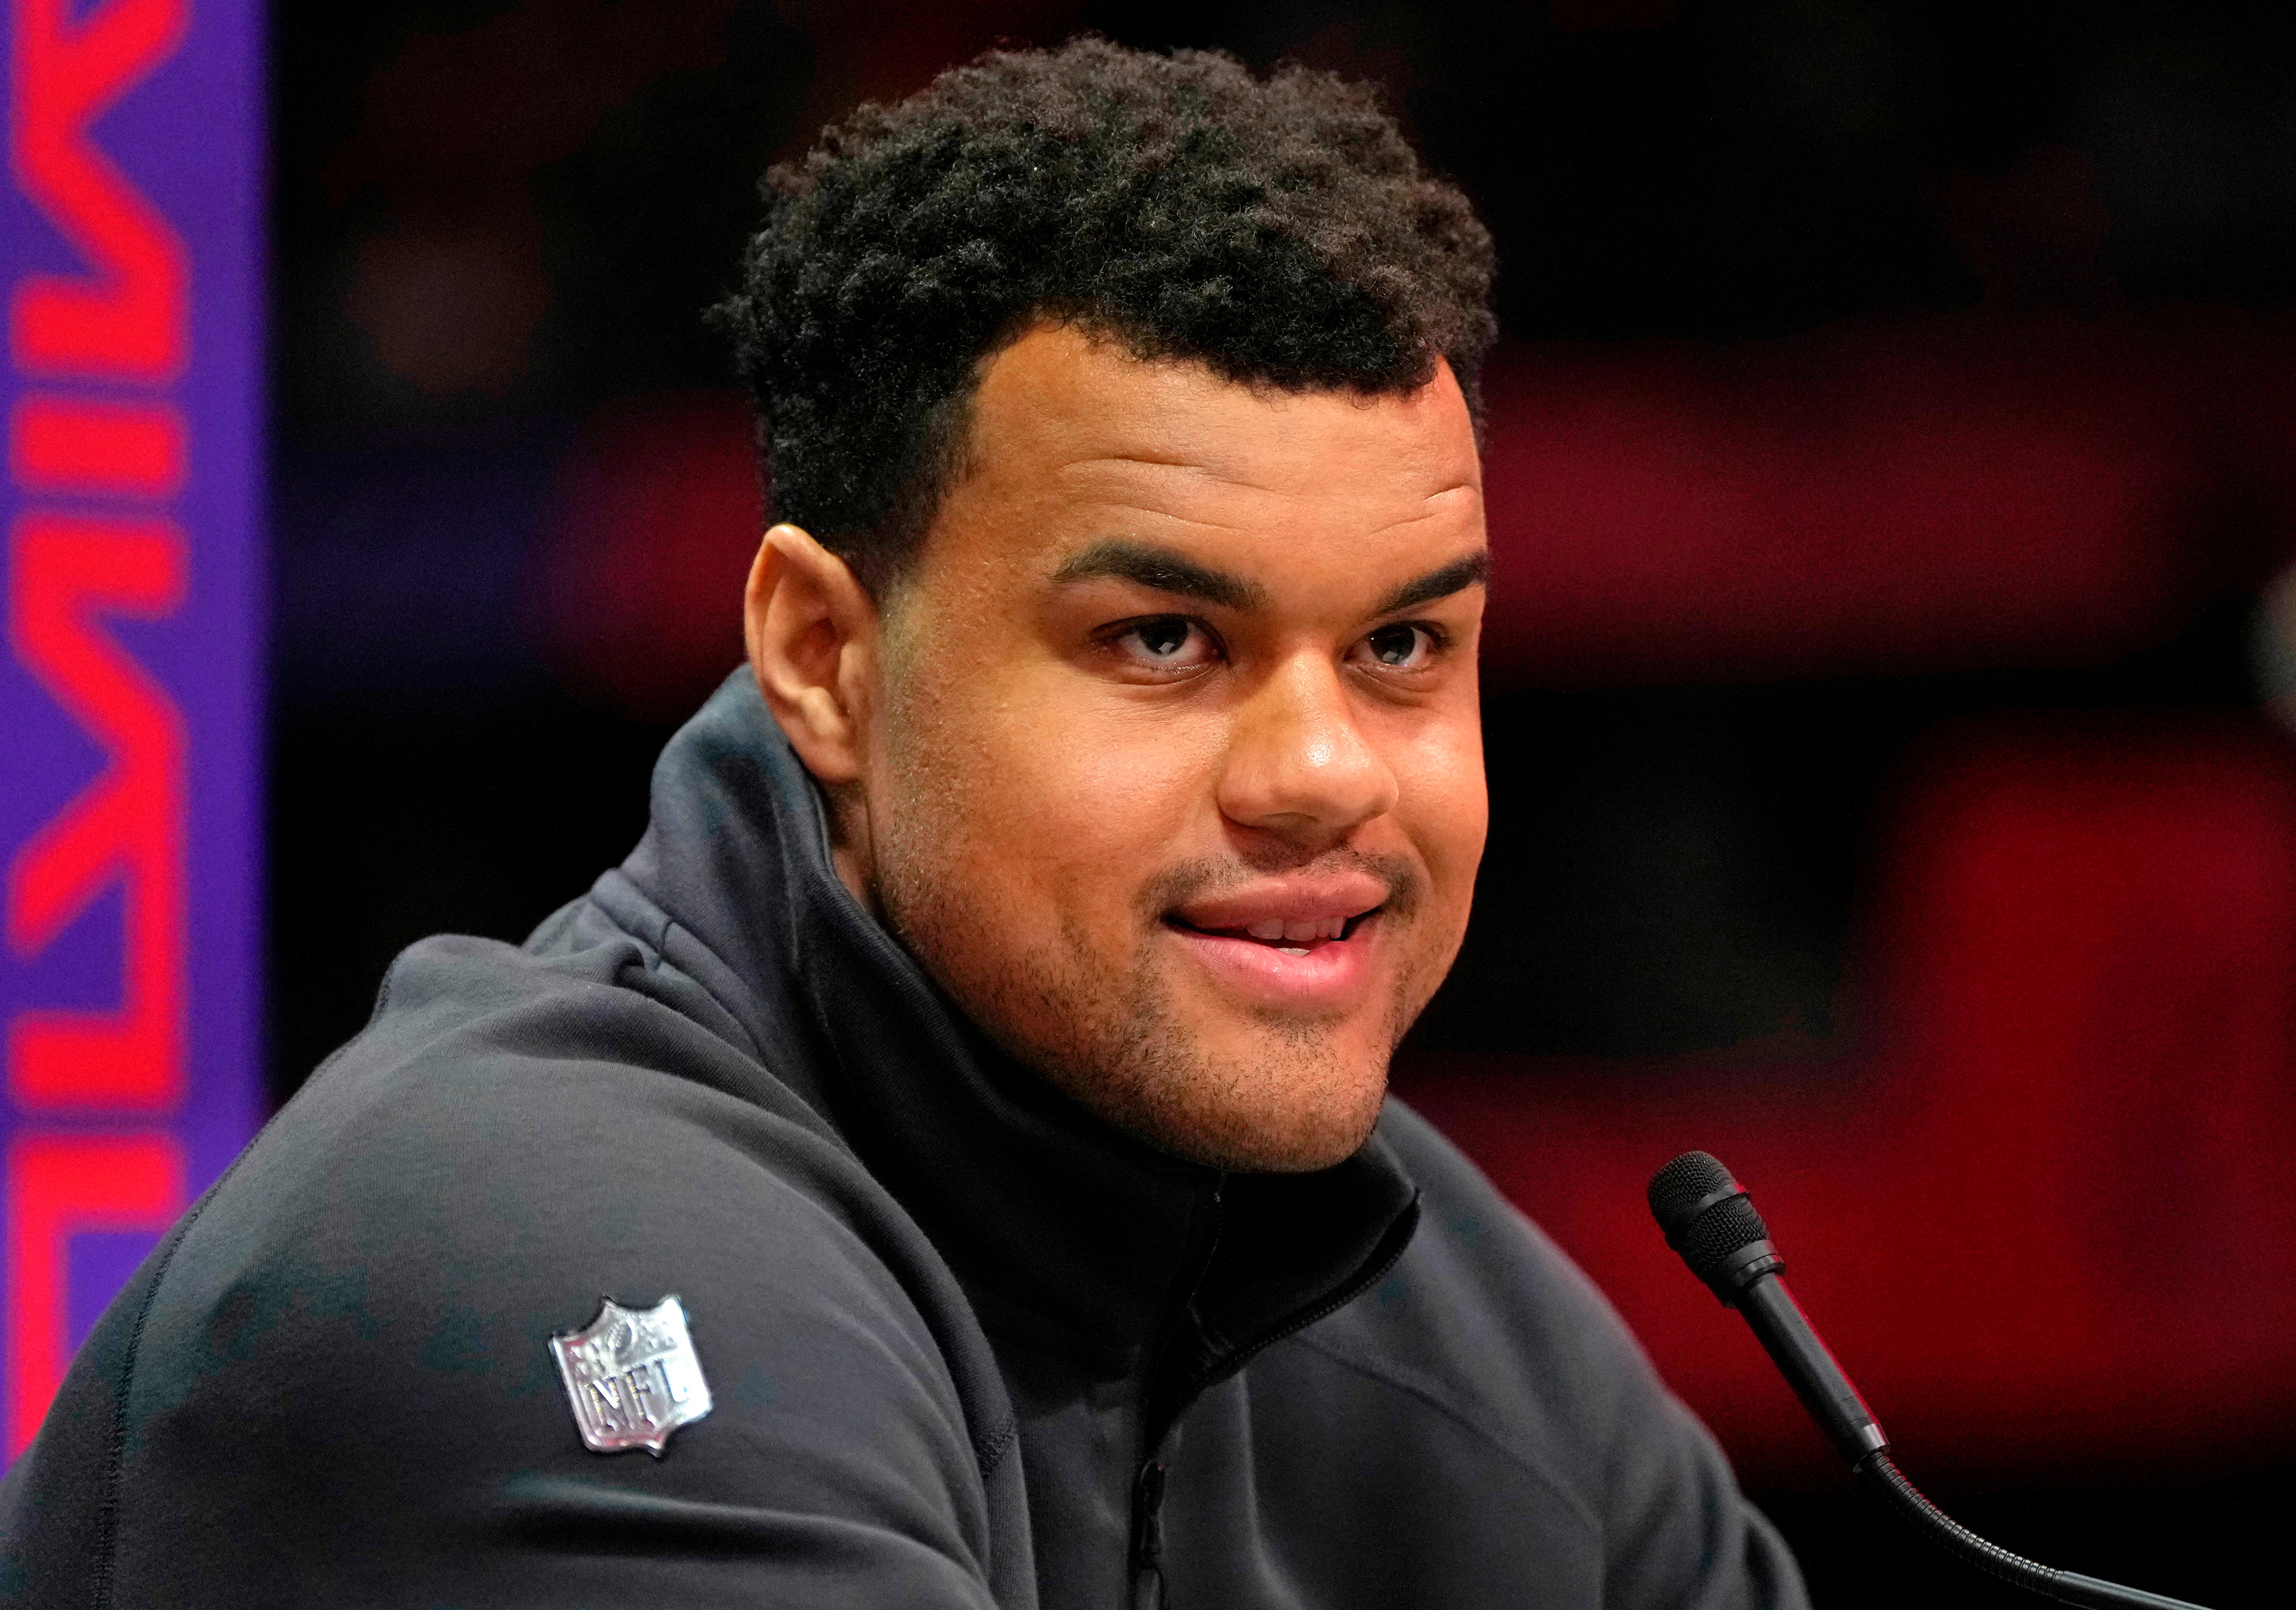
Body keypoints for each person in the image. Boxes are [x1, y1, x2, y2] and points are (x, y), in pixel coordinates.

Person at [0, 38, 1805, 1608]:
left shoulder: (1464, 1336)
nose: (1326, 772)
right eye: (1165, 640)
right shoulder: (524, 1254)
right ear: (825, 661)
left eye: (1405, 644)